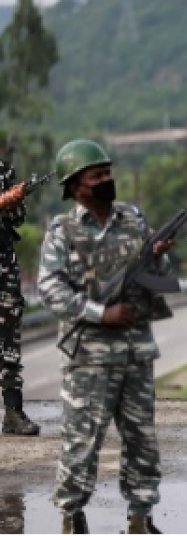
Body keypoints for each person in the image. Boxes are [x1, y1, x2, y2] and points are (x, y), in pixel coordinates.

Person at [38, 139, 173, 533]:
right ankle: (71, 516)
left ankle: (141, 516)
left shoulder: (133, 219)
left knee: (142, 440)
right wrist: (101, 313)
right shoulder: (62, 231)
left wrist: (160, 255)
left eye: (107, 173)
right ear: (76, 185)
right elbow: (51, 288)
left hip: (135, 351)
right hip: (89, 357)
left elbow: (161, 282)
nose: (105, 180)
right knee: (82, 442)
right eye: (96, 176)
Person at [0, 158, 39, 435]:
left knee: (10, 338)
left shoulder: (3, 169)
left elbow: (18, 218)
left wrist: (15, 199)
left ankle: (13, 411)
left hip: (4, 262)